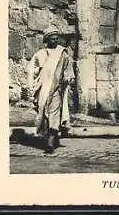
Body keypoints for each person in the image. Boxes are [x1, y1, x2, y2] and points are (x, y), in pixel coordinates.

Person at [27, 25, 75, 153]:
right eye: (52, 39)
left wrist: (68, 77)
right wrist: (36, 78)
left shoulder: (62, 53)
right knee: (44, 113)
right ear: (47, 39)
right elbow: (32, 71)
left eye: (56, 38)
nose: (55, 41)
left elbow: (68, 68)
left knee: (54, 113)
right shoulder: (40, 54)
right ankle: (48, 137)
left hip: (56, 89)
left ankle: (50, 143)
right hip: (43, 89)